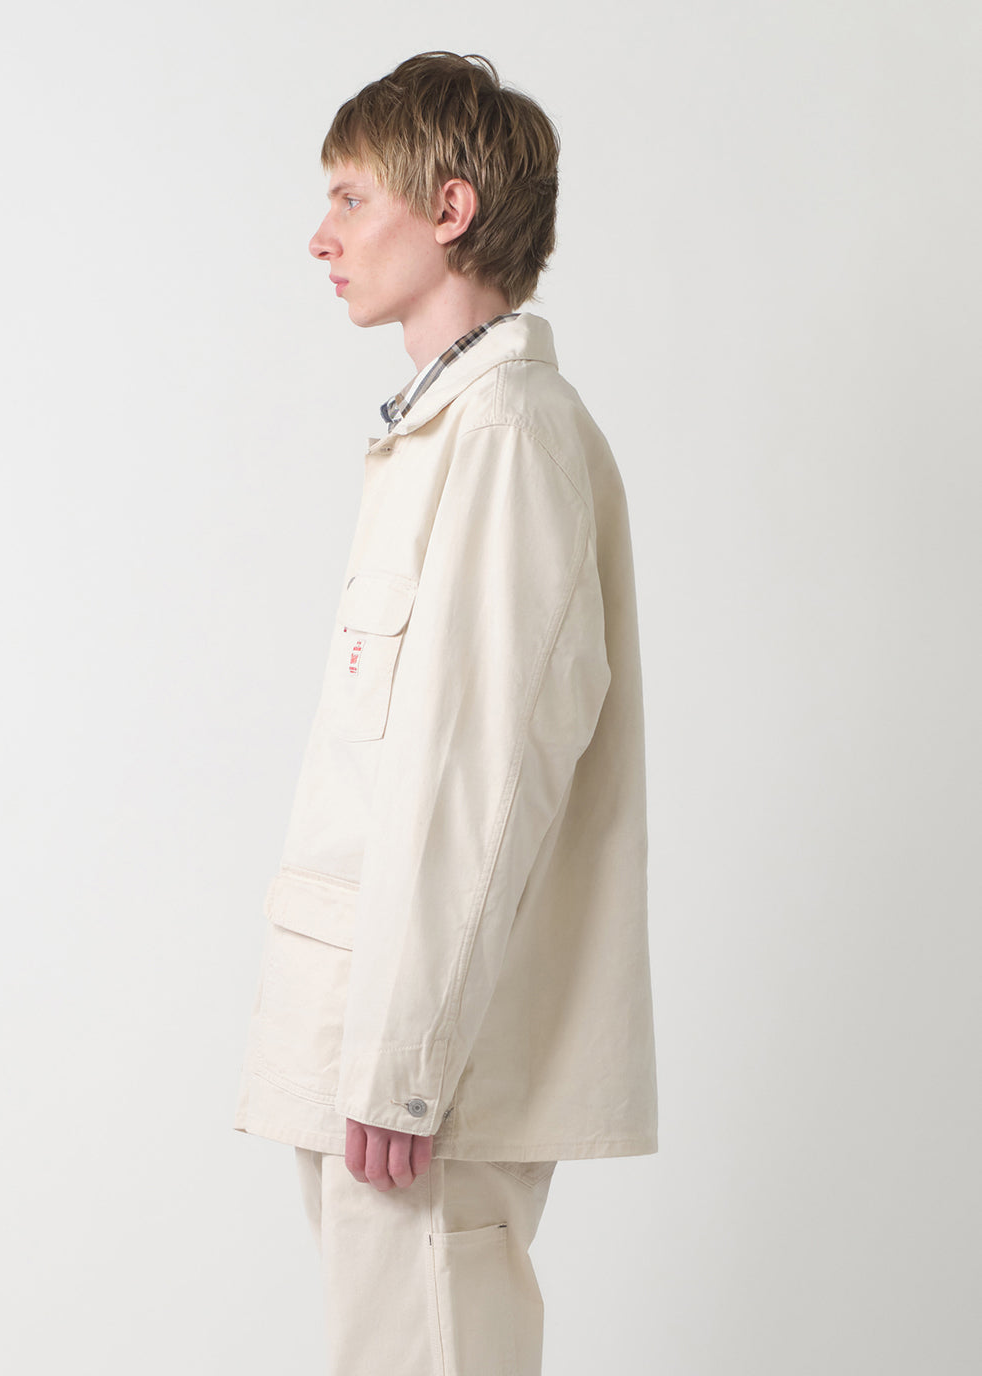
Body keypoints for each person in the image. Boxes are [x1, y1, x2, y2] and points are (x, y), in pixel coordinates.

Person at [233, 50, 657, 1376]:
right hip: (381, 1041)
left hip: (419, 1066)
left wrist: (405, 1063)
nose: (322, 237)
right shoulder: (448, 434)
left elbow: (487, 774)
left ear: (451, 210)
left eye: (352, 199)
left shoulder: (506, 437)